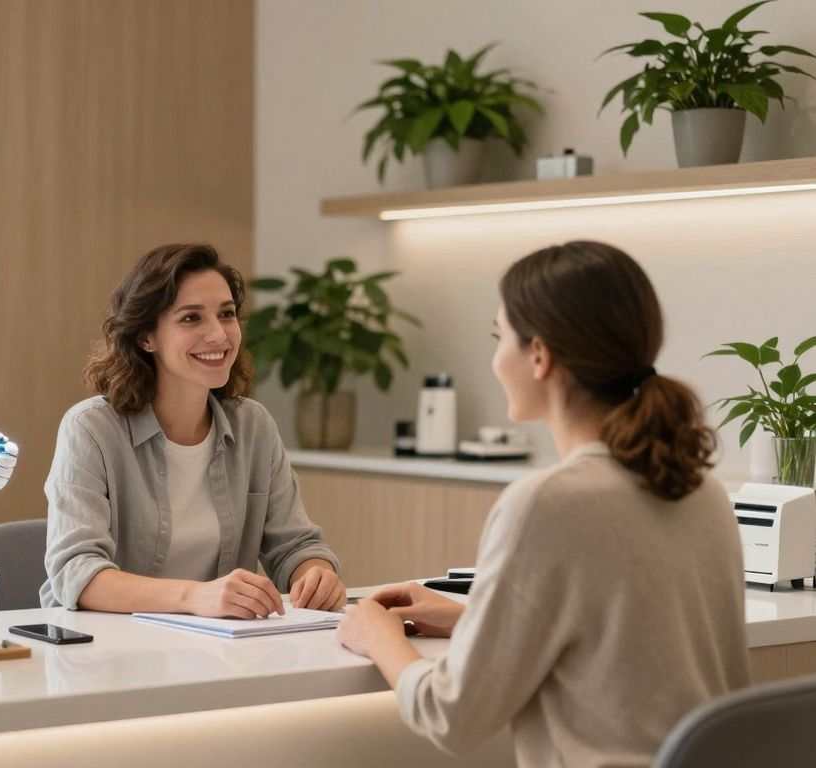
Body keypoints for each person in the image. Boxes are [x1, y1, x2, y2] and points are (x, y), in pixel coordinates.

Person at [337, 241, 749, 768]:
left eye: (498, 337)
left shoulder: (546, 503)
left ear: (539, 355)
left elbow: (452, 715)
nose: (493, 358)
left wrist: (378, 637)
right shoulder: (701, 490)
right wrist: (473, 621)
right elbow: (620, 652)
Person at [40, 243, 345, 617]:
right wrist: (195, 598)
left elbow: (295, 545)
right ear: (146, 337)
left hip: (223, 648)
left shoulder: (254, 426)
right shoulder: (90, 429)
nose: (219, 335)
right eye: (191, 318)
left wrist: (316, 573)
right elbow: (78, 572)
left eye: (227, 314)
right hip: (107, 652)